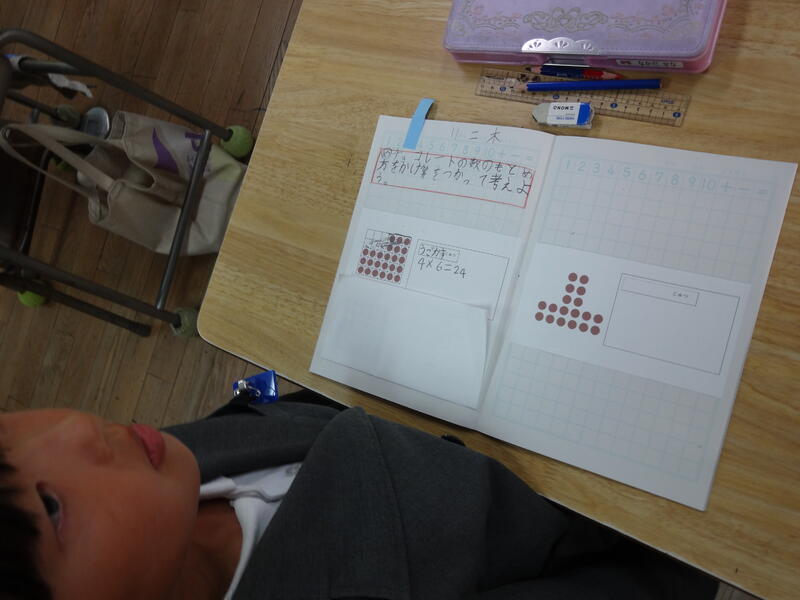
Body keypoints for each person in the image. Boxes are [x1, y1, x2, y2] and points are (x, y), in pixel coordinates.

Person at [0, 389, 719, 600]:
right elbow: (654, 581)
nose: (72, 427)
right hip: (645, 496)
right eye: (52, 508)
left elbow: (286, 411)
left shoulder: (166, 473)